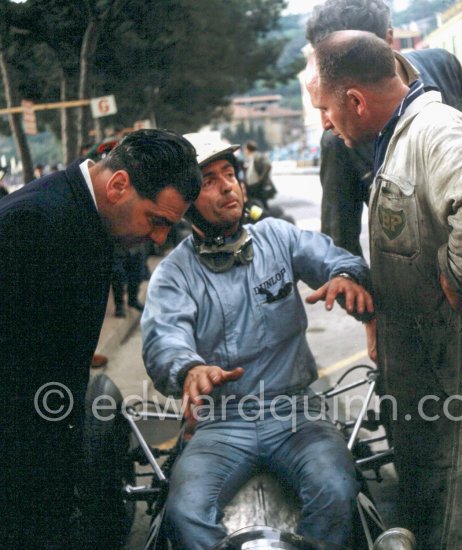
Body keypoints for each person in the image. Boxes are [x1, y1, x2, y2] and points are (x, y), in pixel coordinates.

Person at [305, 31, 462, 549]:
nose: (325, 123)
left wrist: (460, 274)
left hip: (461, 371)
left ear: (356, 101)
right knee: (436, 513)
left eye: (326, 109)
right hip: (433, 370)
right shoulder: (395, 138)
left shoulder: (434, 130)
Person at [141, 136, 375, 549]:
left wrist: (345, 276)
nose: (227, 186)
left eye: (230, 175)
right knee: (185, 513)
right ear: (188, 200)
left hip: (297, 412)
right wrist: (189, 368)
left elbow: (333, 257)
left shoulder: (278, 237)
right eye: (210, 180)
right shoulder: (174, 273)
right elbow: (164, 338)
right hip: (220, 421)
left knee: (338, 491)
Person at [0, 129, 202, 549]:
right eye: (157, 220)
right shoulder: (32, 221)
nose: (161, 238)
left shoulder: (84, 213)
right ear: (118, 185)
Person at [305, 0, 462, 258]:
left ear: (388, 40)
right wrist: (356, 285)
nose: (333, 73)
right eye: (325, 62)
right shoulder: (337, 139)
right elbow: (340, 244)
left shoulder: (444, 66)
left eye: (348, 56)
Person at [243, 140, 277, 206]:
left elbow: (268, 165)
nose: (244, 151)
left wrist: (261, 177)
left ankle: (265, 215)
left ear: (248, 149)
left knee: (261, 203)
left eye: (245, 149)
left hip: (258, 185)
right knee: (254, 203)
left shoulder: (258, 156)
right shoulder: (248, 158)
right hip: (251, 186)